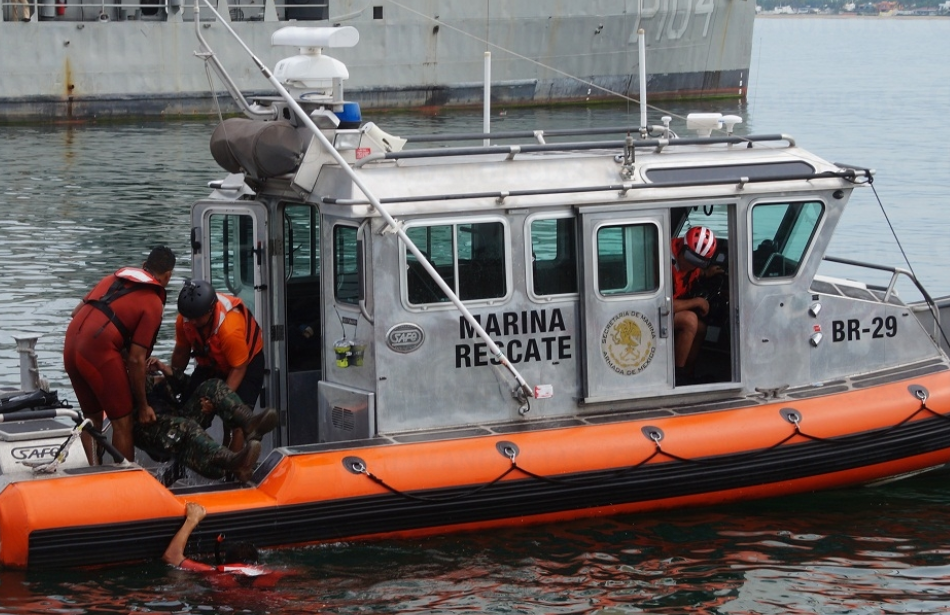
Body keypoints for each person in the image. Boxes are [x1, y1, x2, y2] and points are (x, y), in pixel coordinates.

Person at [63, 246, 176, 463]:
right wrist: (143, 407)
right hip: (97, 352)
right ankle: (122, 484)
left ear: (144, 266)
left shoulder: (111, 279)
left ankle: (94, 472)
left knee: (91, 418)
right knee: (123, 423)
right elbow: (136, 359)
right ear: (168, 276)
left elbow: (76, 312)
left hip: (71, 345)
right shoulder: (153, 302)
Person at [171, 280, 273, 450]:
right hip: (212, 363)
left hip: (245, 364)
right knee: (187, 412)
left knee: (236, 424)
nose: (193, 322)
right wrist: (173, 380)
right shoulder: (185, 319)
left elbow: (239, 368)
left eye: (197, 318)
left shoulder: (229, 328)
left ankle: (235, 468)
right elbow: (181, 352)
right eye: (190, 318)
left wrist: (216, 402)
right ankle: (185, 461)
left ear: (210, 310)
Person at [134, 361, 267, 483]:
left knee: (212, 386)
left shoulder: (153, 373)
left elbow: (187, 386)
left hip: (177, 420)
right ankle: (229, 460)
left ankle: (249, 422)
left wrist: (165, 370)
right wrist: (149, 379)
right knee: (187, 427)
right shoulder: (127, 379)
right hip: (156, 432)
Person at [163, 502, 272, 581]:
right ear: (256, 563)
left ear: (225, 561)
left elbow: (171, 556)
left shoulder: (216, 572)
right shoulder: (272, 574)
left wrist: (192, 520)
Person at [671, 226, 722, 385]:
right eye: (688, 257)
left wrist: (707, 273)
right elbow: (661, 305)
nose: (689, 264)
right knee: (689, 320)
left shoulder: (695, 267)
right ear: (681, 246)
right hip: (652, 312)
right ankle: (676, 377)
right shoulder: (663, 260)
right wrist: (697, 302)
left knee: (700, 327)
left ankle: (688, 373)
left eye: (698, 262)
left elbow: (693, 272)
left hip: (672, 307)